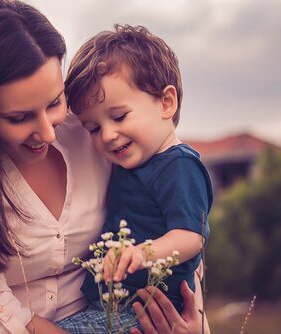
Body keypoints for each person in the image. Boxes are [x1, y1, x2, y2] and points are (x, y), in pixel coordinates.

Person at [0, 1, 209, 333]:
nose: (49, 132)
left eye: (55, 102)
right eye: (19, 117)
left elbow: (173, 226)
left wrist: (193, 325)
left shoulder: (93, 125)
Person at [61, 24, 213, 327]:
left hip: (146, 312)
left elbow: (191, 237)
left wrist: (143, 253)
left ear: (166, 103)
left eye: (119, 117)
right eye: (93, 128)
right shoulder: (134, 163)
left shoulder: (179, 166)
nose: (107, 135)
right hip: (113, 305)